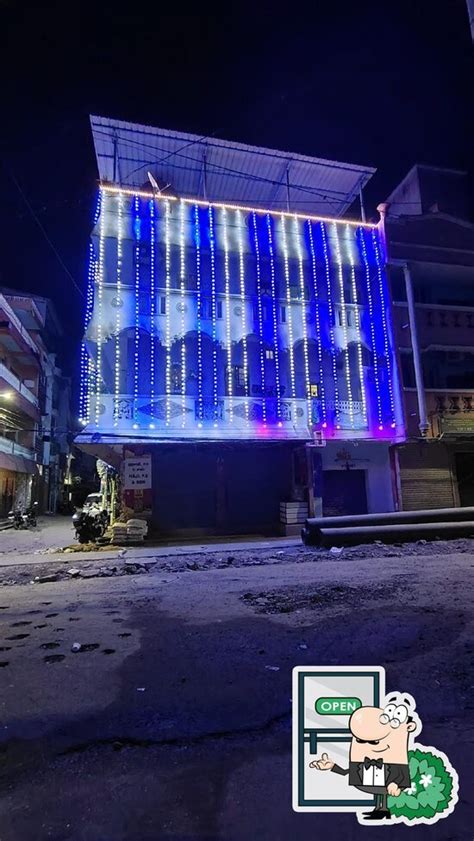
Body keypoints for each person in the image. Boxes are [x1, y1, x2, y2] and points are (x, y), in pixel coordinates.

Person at [310, 694, 418, 821]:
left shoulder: (396, 762)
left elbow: (401, 775)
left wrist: (396, 784)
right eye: (360, 741)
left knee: (382, 793)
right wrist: (332, 766)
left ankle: (383, 810)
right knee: (379, 793)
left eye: (374, 742)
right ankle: (380, 809)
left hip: (388, 785)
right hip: (372, 783)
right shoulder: (361, 763)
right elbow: (347, 772)